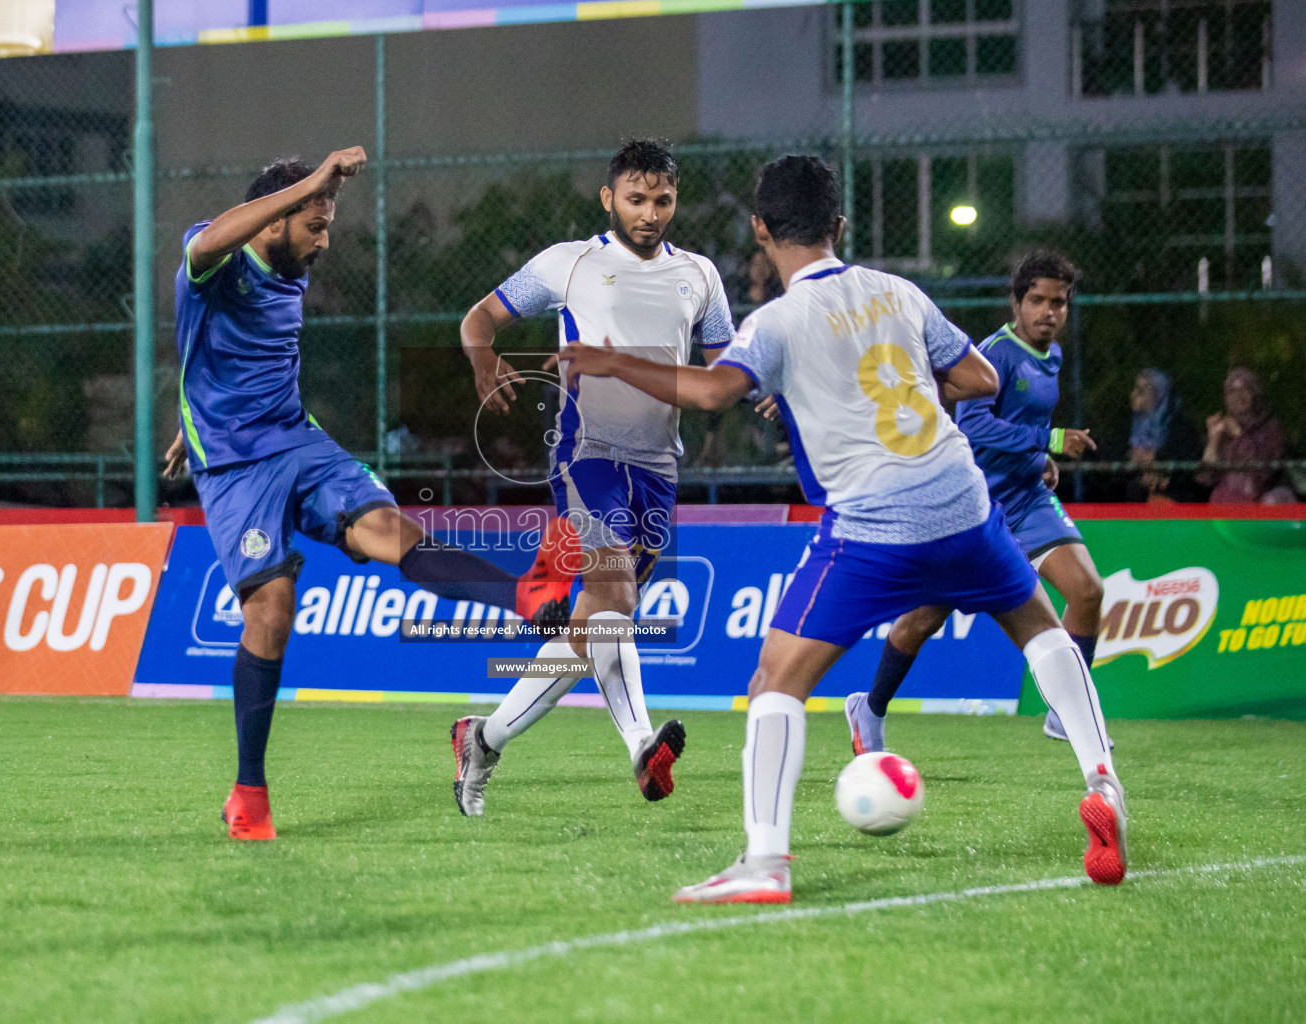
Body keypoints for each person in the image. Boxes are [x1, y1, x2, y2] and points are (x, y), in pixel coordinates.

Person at [559, 155, 1126, 902]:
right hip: (963, 502)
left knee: (774, 682)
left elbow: (707, 390)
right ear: (841, 226)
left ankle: (765, 863)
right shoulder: (898, 290)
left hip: (872, 525)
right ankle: (1103, 780)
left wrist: (608, 359)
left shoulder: (778, 321)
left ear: (761, 230)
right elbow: (978, 381)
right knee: (1041, 626)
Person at [163, 149, 576, 841]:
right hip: (235, 468)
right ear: (278, 219)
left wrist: (188, 411)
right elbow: (205, 247)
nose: (325, 240)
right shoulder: (221, 260)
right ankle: (250, 792)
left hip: (296, 440)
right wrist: (310, 183)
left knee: (392, 530)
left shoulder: (291, 269)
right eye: (315, 225)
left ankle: (529, 602)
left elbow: (222, 360)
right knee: (272, 604)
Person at [450, 139, 737, 817]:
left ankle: (482, 739)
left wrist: (759, 389)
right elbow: (480, 317)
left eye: (662, 199)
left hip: (659, 466)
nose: (650, 213)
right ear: (609, 199)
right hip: (587, 453)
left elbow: (726, 364)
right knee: (616, 591)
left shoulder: (700, 275)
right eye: (636, 199)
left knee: (589, 630)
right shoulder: (567, 262)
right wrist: (482, 358)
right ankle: (642, 745)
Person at [843, 250, 1112, 754]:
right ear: (1016, 302)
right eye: (1037, 300)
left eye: (1059, 302)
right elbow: (975, 425)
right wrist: (1049, 441)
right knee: (924, 618)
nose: (1049, 312)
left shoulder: (1051, 355)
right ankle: (870, 706)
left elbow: (1014, 430)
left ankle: (1064, 712)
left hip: (1028, 498)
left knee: (1089, 592)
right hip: (974, 505)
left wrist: (1038, 458)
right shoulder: (995, 354)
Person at [1199, 367, 1291, 504]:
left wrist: (1239, 435)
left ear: (1255, 393)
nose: (1237, 397)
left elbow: (1264, 474)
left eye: (1244, 389)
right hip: (1225, 508)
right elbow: (1205, 479)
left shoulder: (1271, 428)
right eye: (1231, 392)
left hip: (1260, 506)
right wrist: (1213, 441)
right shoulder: (1223, 430)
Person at [1126, 368, 1201, 503]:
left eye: (1142, 391)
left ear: (1158, 394)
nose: (1135, 395)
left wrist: (1156, 461)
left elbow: (1187, 464)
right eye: (1136, 389)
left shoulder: (1177, 425)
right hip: (1142, 495)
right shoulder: (1131, 424)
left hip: (1174, 495)